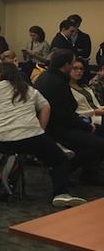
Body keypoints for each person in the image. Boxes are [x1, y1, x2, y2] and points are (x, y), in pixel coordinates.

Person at [0, 61, 85, 207]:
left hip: (2, 139)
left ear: (2, 74)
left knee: (10, 150)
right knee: (59, 160)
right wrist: (40, 128)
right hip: (30, 136)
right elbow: (46, 107)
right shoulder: (27, 89)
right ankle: (60, 193)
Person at [35, 49, 104, 185]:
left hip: (51, 124)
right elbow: (65, 116)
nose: (75, 68)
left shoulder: (46, 77)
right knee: (98, 143)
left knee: (99, 133)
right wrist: (85, 125)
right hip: (55, 128)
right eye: (73, 64)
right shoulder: (58, 83)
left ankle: (89, 172)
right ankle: (66, 170)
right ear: (66, 65)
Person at [70, 58, 104, 129]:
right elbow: (74, 114)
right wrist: (94, 112)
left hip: (98, 114)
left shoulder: (84, 86)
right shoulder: (66, 89)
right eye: (75, 68)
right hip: (88, 119)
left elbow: (96, 104)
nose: (79, 71)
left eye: (81, 69)